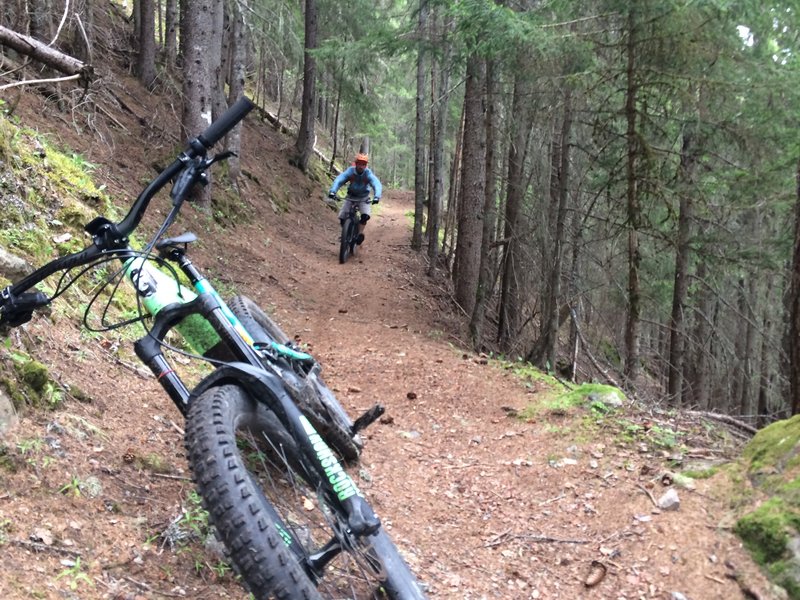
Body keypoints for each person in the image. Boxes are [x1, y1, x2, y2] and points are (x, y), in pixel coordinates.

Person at [327, 153, 382, 245]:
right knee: (342, 217)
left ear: (366, 165)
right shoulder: (350, 172)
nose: (361, 166)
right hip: (350, 197)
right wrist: (333, 191)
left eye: (363, 164)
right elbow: (339, 180)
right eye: (359, 164)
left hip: (363, 198)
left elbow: (376, 184)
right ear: (356, 164)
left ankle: (359, 234)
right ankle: (346, 233)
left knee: (365, 216)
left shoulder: (368, 174)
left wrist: (377, 196)